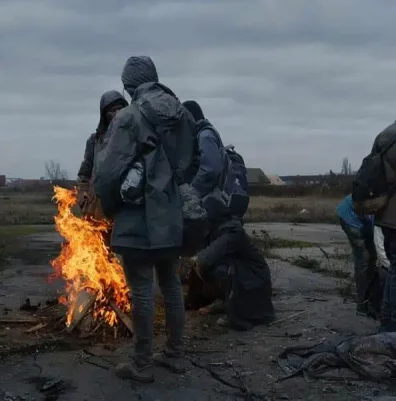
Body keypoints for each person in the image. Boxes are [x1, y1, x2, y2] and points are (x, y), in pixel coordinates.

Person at [94, 56, 197, 383]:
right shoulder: (182, 114)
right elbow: (193, 163)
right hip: (171, 215)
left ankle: (141, 364)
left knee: (140, 290)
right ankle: (175, 355)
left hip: (138, 217)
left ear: (128, 85)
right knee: (171, 286)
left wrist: (111, 203)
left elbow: (107, 173)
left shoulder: (129, 117)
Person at [188, 198, 275, 330]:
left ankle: (239, 313)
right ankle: (224, 303)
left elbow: (205, 258)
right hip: (244, 275)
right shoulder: (216, 230)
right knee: (214, 268)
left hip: (254, 279)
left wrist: (194, 262)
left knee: (221, 270)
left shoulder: (233, 231)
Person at [76, 90, 128, 218]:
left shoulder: (133, 137)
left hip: (125, 203)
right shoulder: (95, 141)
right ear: (105, 114)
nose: (117, 113)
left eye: (120, 109)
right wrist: (82, 192)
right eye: (112, 110)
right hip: (99, 203)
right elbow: (85, 172)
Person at [365, 122, 396, 332]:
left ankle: (387, 321)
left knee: (394, 268)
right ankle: (391, 325)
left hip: (385, 213)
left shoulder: (385, 135)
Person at [336, 194, 377, 315]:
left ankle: (371, 300)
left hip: (365, 216)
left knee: (373, 258)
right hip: (351, 217)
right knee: (363, 259)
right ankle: (362, 304)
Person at [182, 100, 225, 198]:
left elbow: (210, 170)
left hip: (209, 198)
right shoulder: (202, 134)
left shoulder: (205, 136)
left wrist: (192, 190)